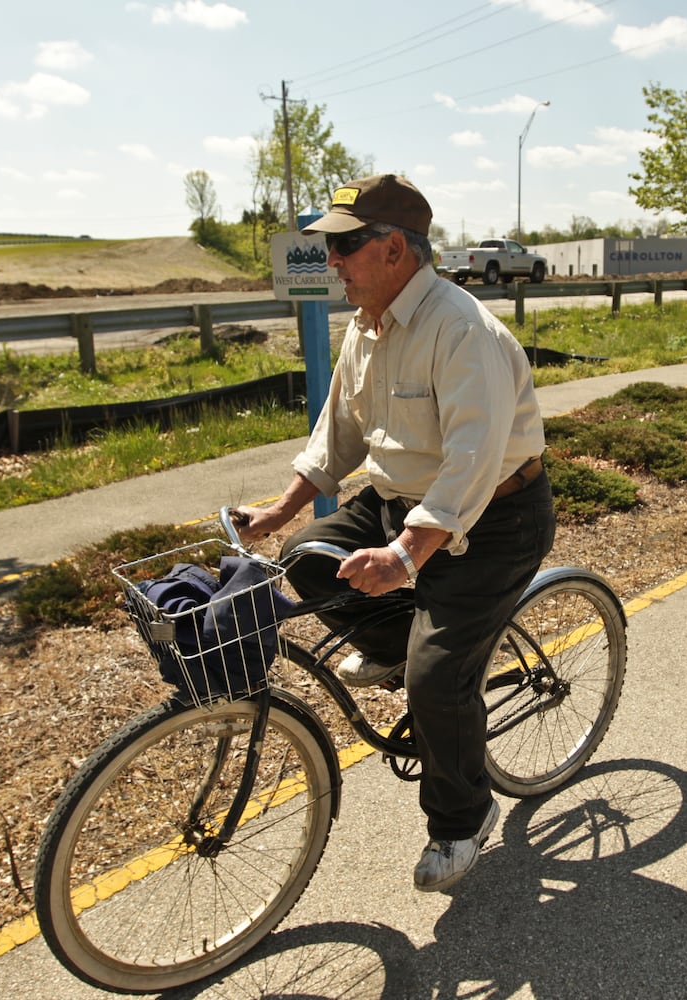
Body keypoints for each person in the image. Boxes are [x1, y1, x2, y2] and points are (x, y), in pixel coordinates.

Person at [236, 173, 554, 893]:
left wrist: (407, 555)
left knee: (438, 680)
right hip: (396, 501)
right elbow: (340, 432)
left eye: (343, 245)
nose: (332, 261)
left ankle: (460, 822)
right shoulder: (367, 325)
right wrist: (279, 512)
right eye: (329, 247)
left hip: (492, 518)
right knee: (306, 563)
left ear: (393, 250)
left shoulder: (461, 330)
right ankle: (395, 647)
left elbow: (471, 463)